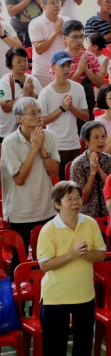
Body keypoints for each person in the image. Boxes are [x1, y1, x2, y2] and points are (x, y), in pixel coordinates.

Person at [37, 180, 106, 356]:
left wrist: (87, 254)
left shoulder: (90, 223)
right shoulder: (49, 229)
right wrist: (73, 255)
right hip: (55, 298)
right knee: (54, 351)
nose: (75, 202)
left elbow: (101, 254)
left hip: (84, 295)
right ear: (57, 204)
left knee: (83, 349)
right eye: (69, 199)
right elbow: (45, 265)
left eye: (78, 198)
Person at [1, 97, 60, 248]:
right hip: (20, 212)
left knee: (48, 254)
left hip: (46, 209)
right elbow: (19, 180)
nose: (39, 116)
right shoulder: (9, 142)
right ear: (19, 118)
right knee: (19, 257)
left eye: (40, 112)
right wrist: (34, 149)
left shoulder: (49, 136)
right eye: (33, 113)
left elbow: (54, 172)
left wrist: (42, 148)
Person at [39, 50, 90, 177]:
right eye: (62, 65)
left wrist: (71, 107)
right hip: (54, 145)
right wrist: (62, 108)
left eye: (69, 65)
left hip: (74, 144)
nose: (67, 69)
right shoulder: (46, 92)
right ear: (53, 67)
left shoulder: (78, 88)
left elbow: (86, 116)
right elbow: (40, 121)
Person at [69, 120, 111, 218]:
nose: (101, 141)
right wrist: (92, 174)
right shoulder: (78, 164)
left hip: (109, 213)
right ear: (86, 141)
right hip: (87, 217)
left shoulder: (108, 159)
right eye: (96, 137)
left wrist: (100, 170)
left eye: (103, 136)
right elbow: (82, 199)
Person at [60, 20, 103, 113]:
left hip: (88, 105)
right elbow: (61, 87)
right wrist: (79, 71)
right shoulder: (60, 59)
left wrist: (86, 70)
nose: (79, 41)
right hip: (66, 107)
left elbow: (101, 84)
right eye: (74, 37)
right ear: (64, 38)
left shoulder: (90, 57)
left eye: (81, 36)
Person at [0, 47, 41, 139]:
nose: (23, 64)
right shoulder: (4, 81)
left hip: (29, 132)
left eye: (25, 61)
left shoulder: (33, 79)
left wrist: (32, 94)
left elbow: (41, 104)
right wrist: (25, 93)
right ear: (10, 63)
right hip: (8, 133)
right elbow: (6, 107)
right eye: (18, 62)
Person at [29, 0, 67, 87]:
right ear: (43, 6)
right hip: (42, 74)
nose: (57, 5)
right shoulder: (35, 23)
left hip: (64, 71)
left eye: (58, 2)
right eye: (53, 3)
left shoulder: (66, 21)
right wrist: (55, 32)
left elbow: (75, 45)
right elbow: (39, 49)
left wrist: (64, 33)